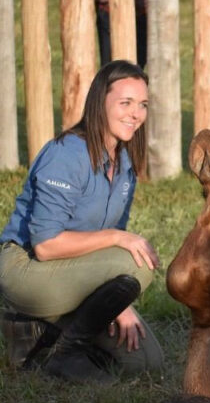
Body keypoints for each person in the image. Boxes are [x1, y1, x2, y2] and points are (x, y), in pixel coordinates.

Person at [0, 60, 164, 384]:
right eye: (125, 103)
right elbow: (46, 246)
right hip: (25, 267)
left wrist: (118, 303)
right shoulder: (67, 153)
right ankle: (65, 353)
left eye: (142, 105)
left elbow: (104, 251)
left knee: (147, 360)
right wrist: (118, 239)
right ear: (99, 102)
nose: (136, 113)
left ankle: (34, 332)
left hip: (72, 273)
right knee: (138, 261)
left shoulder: (125, 163)